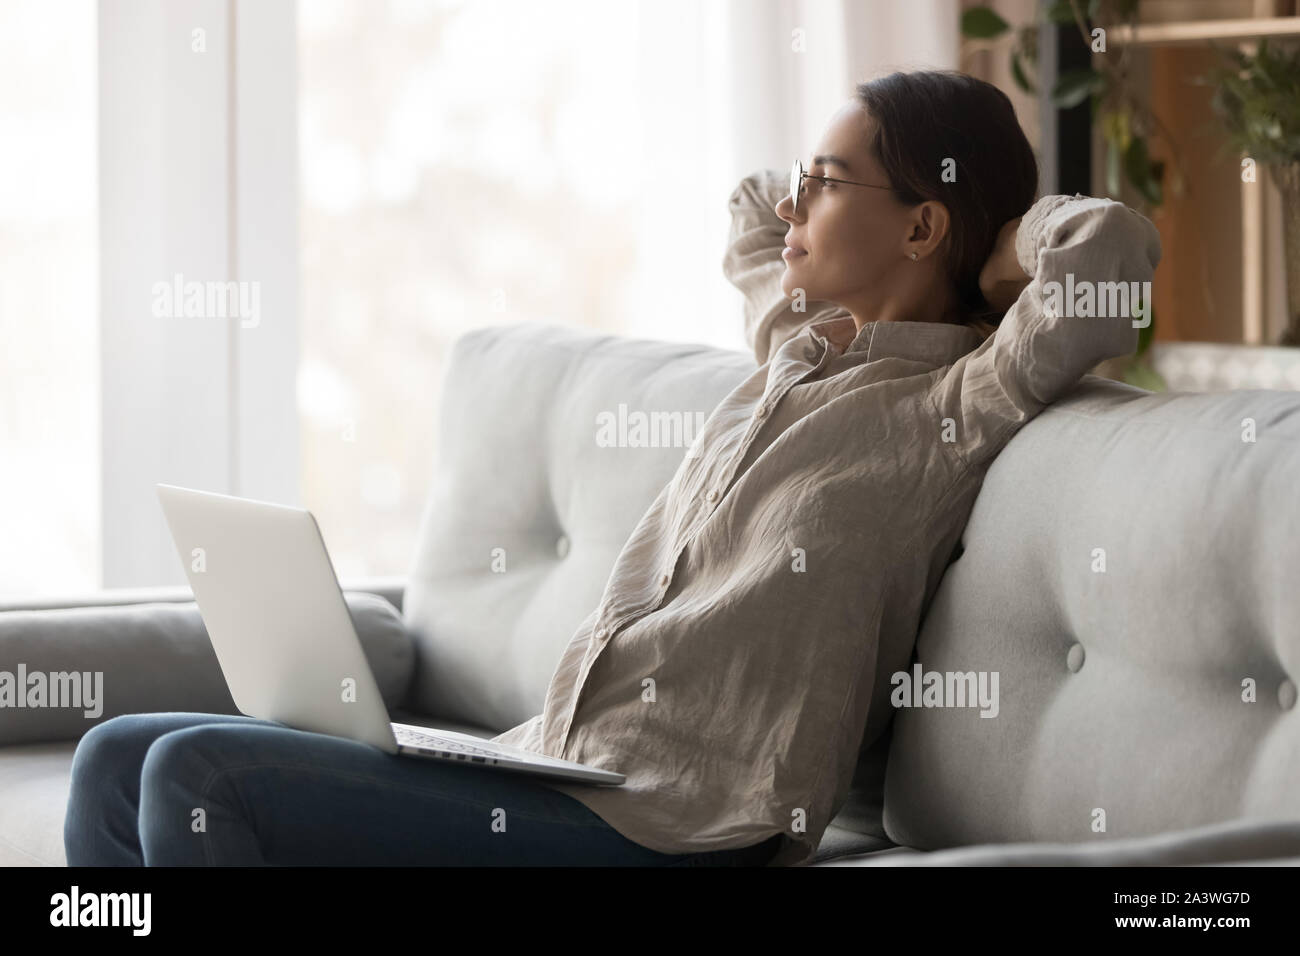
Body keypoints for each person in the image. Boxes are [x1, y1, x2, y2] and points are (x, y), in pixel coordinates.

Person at [64, 69, 1161, 867]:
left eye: (825, 184)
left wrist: (996, 240)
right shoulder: (795, 348)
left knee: (193, 775)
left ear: (924, 223)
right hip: (560, 768)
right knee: (117, 749)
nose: (792, 205)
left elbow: (1107, 251)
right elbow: (748, 209)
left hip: (688, 823)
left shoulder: (952, 400)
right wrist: (850, 195)